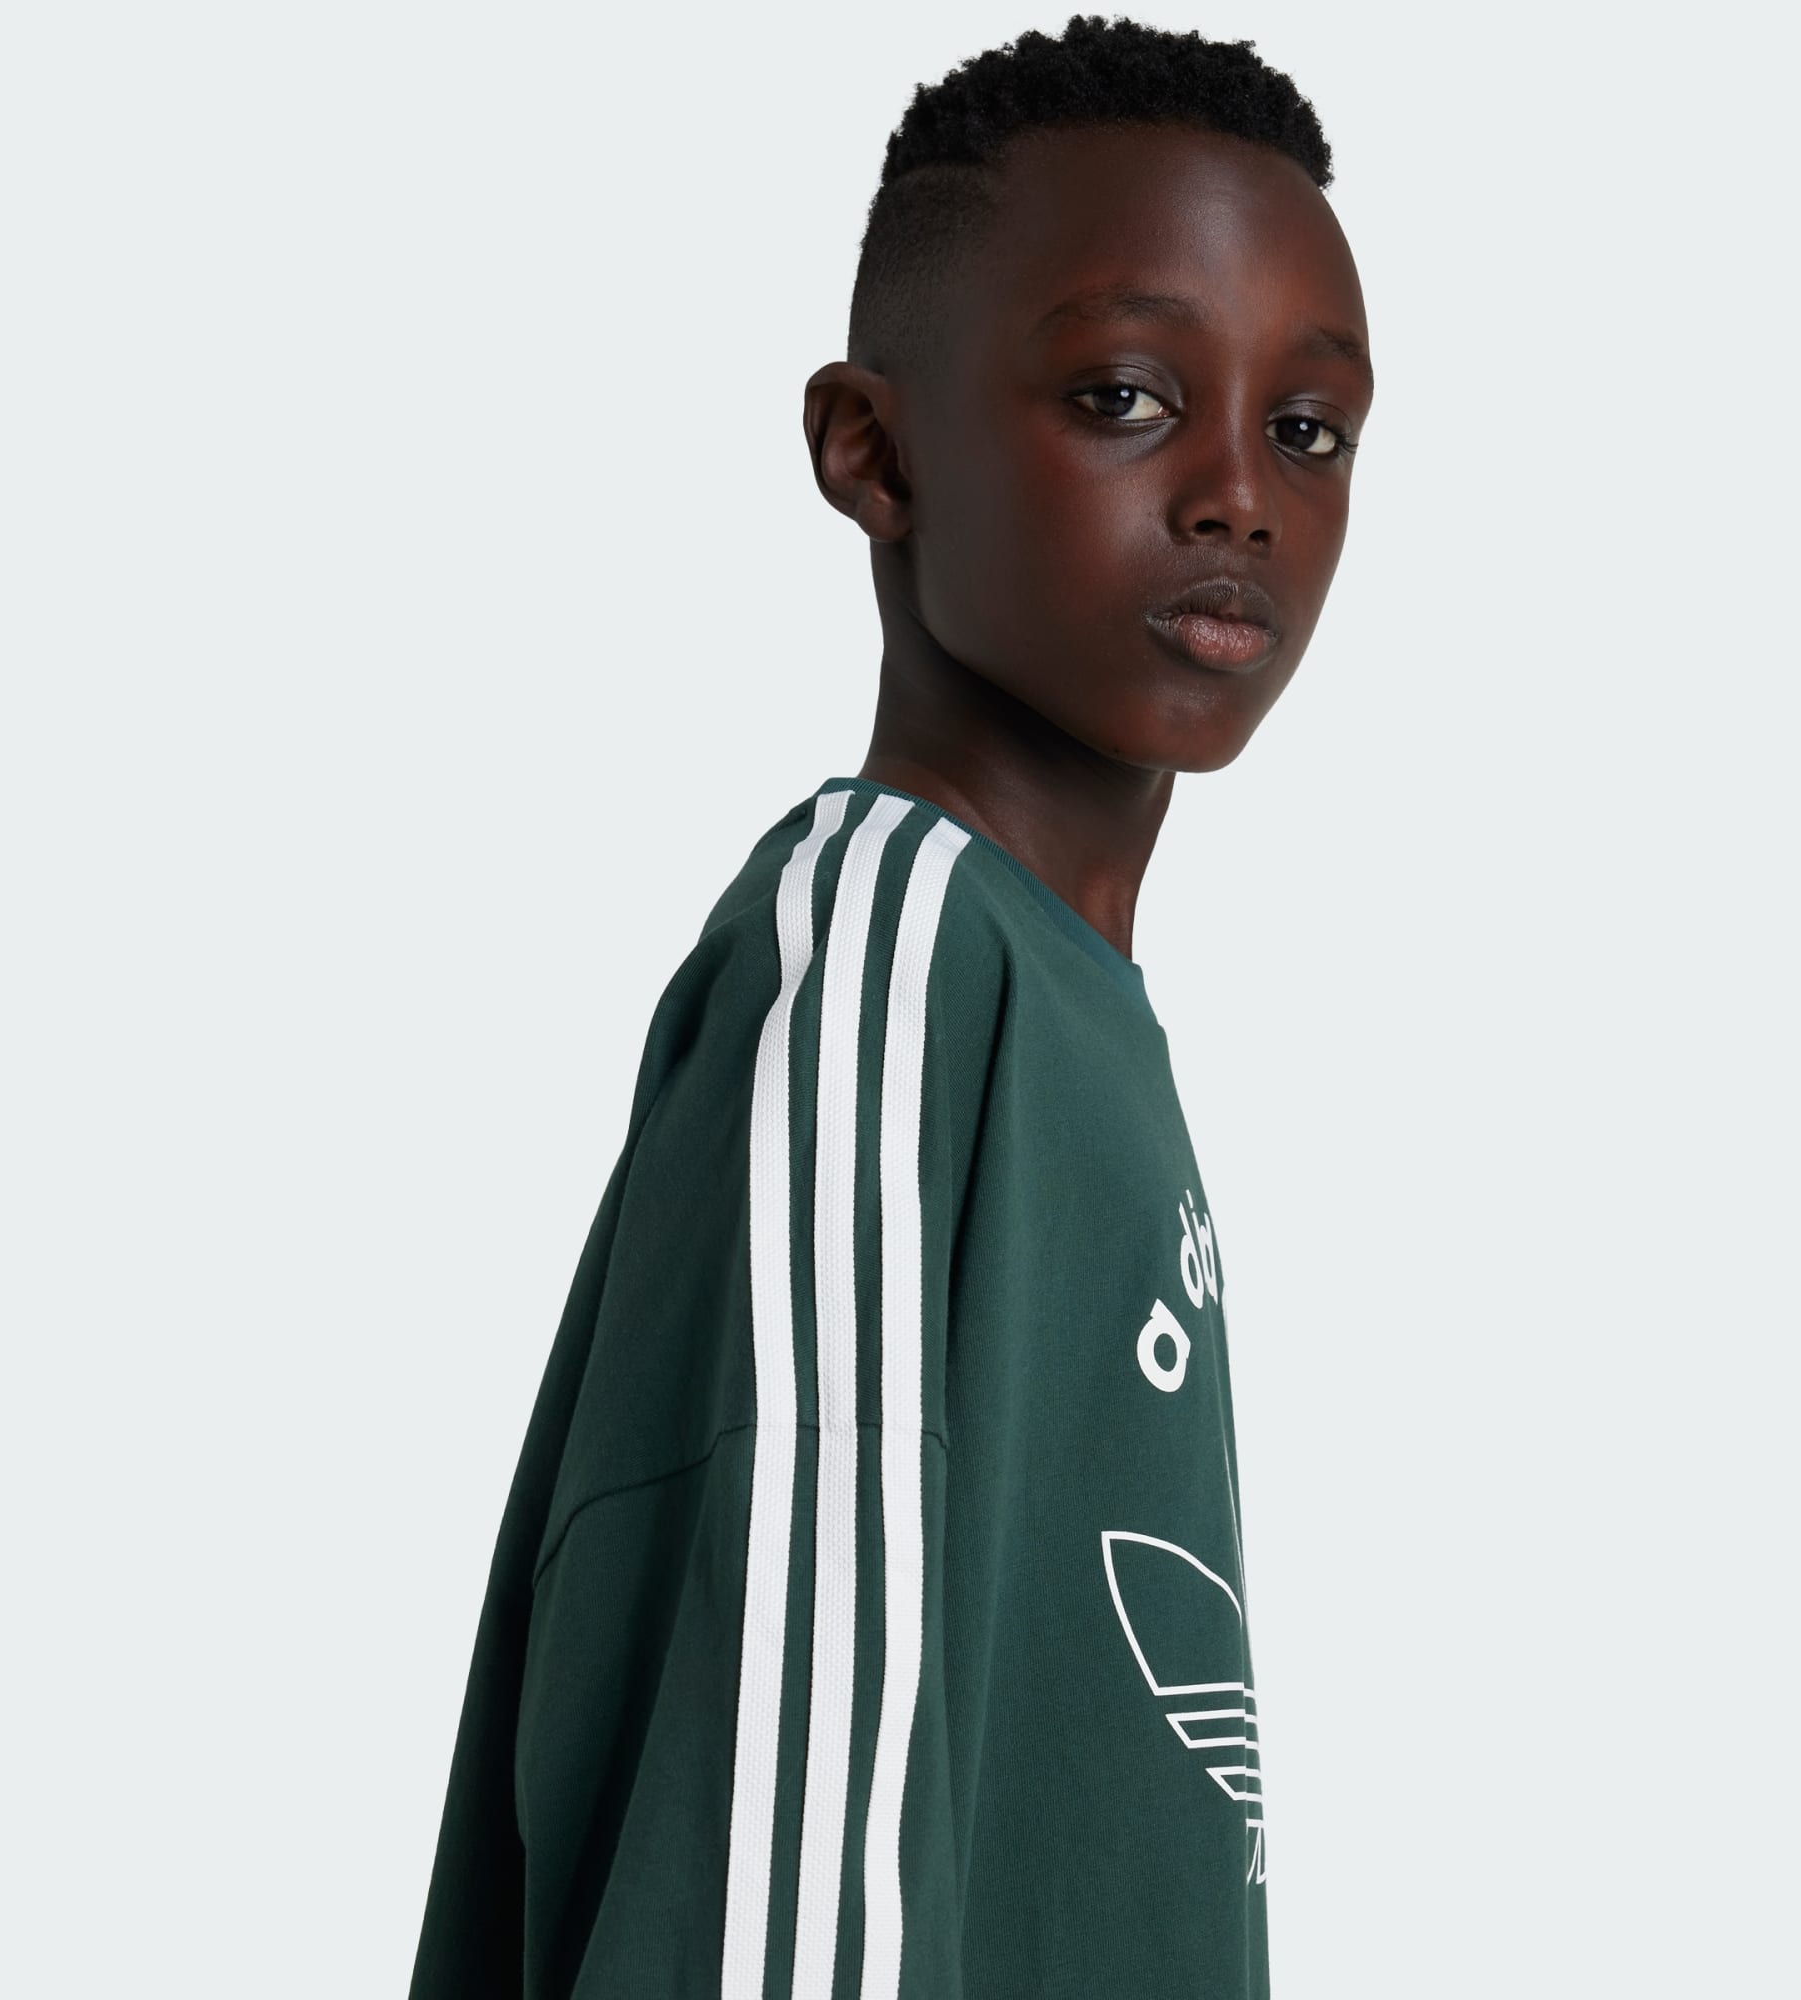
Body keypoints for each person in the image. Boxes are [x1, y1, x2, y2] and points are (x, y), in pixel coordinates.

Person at [408, 15, 1372, 1996]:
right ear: (873, 449)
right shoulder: (889, 957)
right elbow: (772, 1825)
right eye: (1126, 397)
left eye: (1307, 429)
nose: (1239, 497)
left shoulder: (1060, 1005)